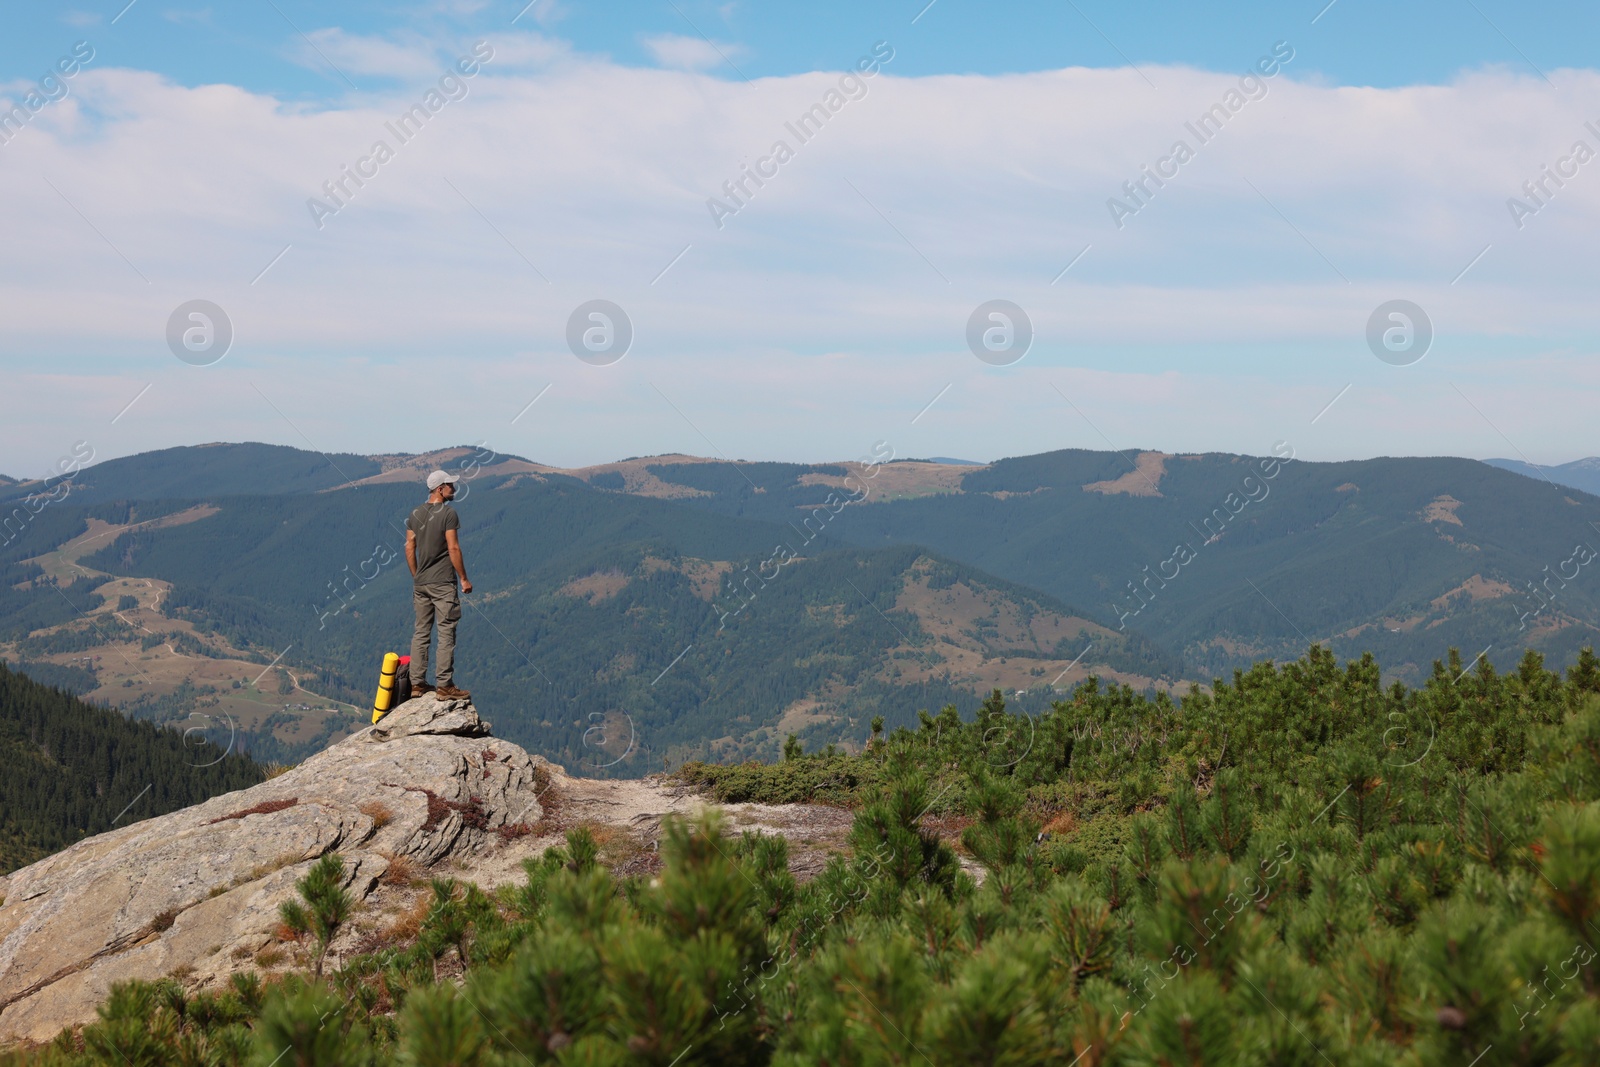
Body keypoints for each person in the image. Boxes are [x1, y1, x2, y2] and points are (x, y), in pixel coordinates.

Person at [405, 469, 473, 700]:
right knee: (446, 632)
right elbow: (453, 548)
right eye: (450, 486)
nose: (453, 489)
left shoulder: (414, 513)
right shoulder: (448, 514)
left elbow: (409, 547)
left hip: (421, 583)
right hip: (443, 582)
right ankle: (444, 685)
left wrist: (417, 575)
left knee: (421, 632)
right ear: (439, 489)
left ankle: (417, 684)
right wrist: (463, 578)